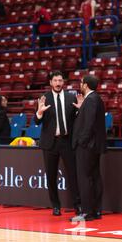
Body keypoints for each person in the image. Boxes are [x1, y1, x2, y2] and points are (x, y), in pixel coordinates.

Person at [35, 71, 82, 216]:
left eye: (60, 80)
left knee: (73, 175)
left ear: (63, 82)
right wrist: (40, 113)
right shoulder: (44, 98)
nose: (58, 83)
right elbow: (37, 122)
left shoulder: (71, 97)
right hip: (50, 143)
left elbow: (77, 121)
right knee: (51, 176)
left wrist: (80, 110)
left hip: (67, 142)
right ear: (50, 82)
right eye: (55, 80)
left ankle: (78, 205)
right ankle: (55, 206)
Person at [71, 75, 106, 222]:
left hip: (87, 146)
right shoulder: (95, 99)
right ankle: (96, 210)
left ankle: (87, 212)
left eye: (81, 83)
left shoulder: (91, 99)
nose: (80, 85)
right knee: (94, 177)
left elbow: (89, 123)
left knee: (85, 178)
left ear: (85, 85)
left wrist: (82, 141)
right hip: (94, 145)